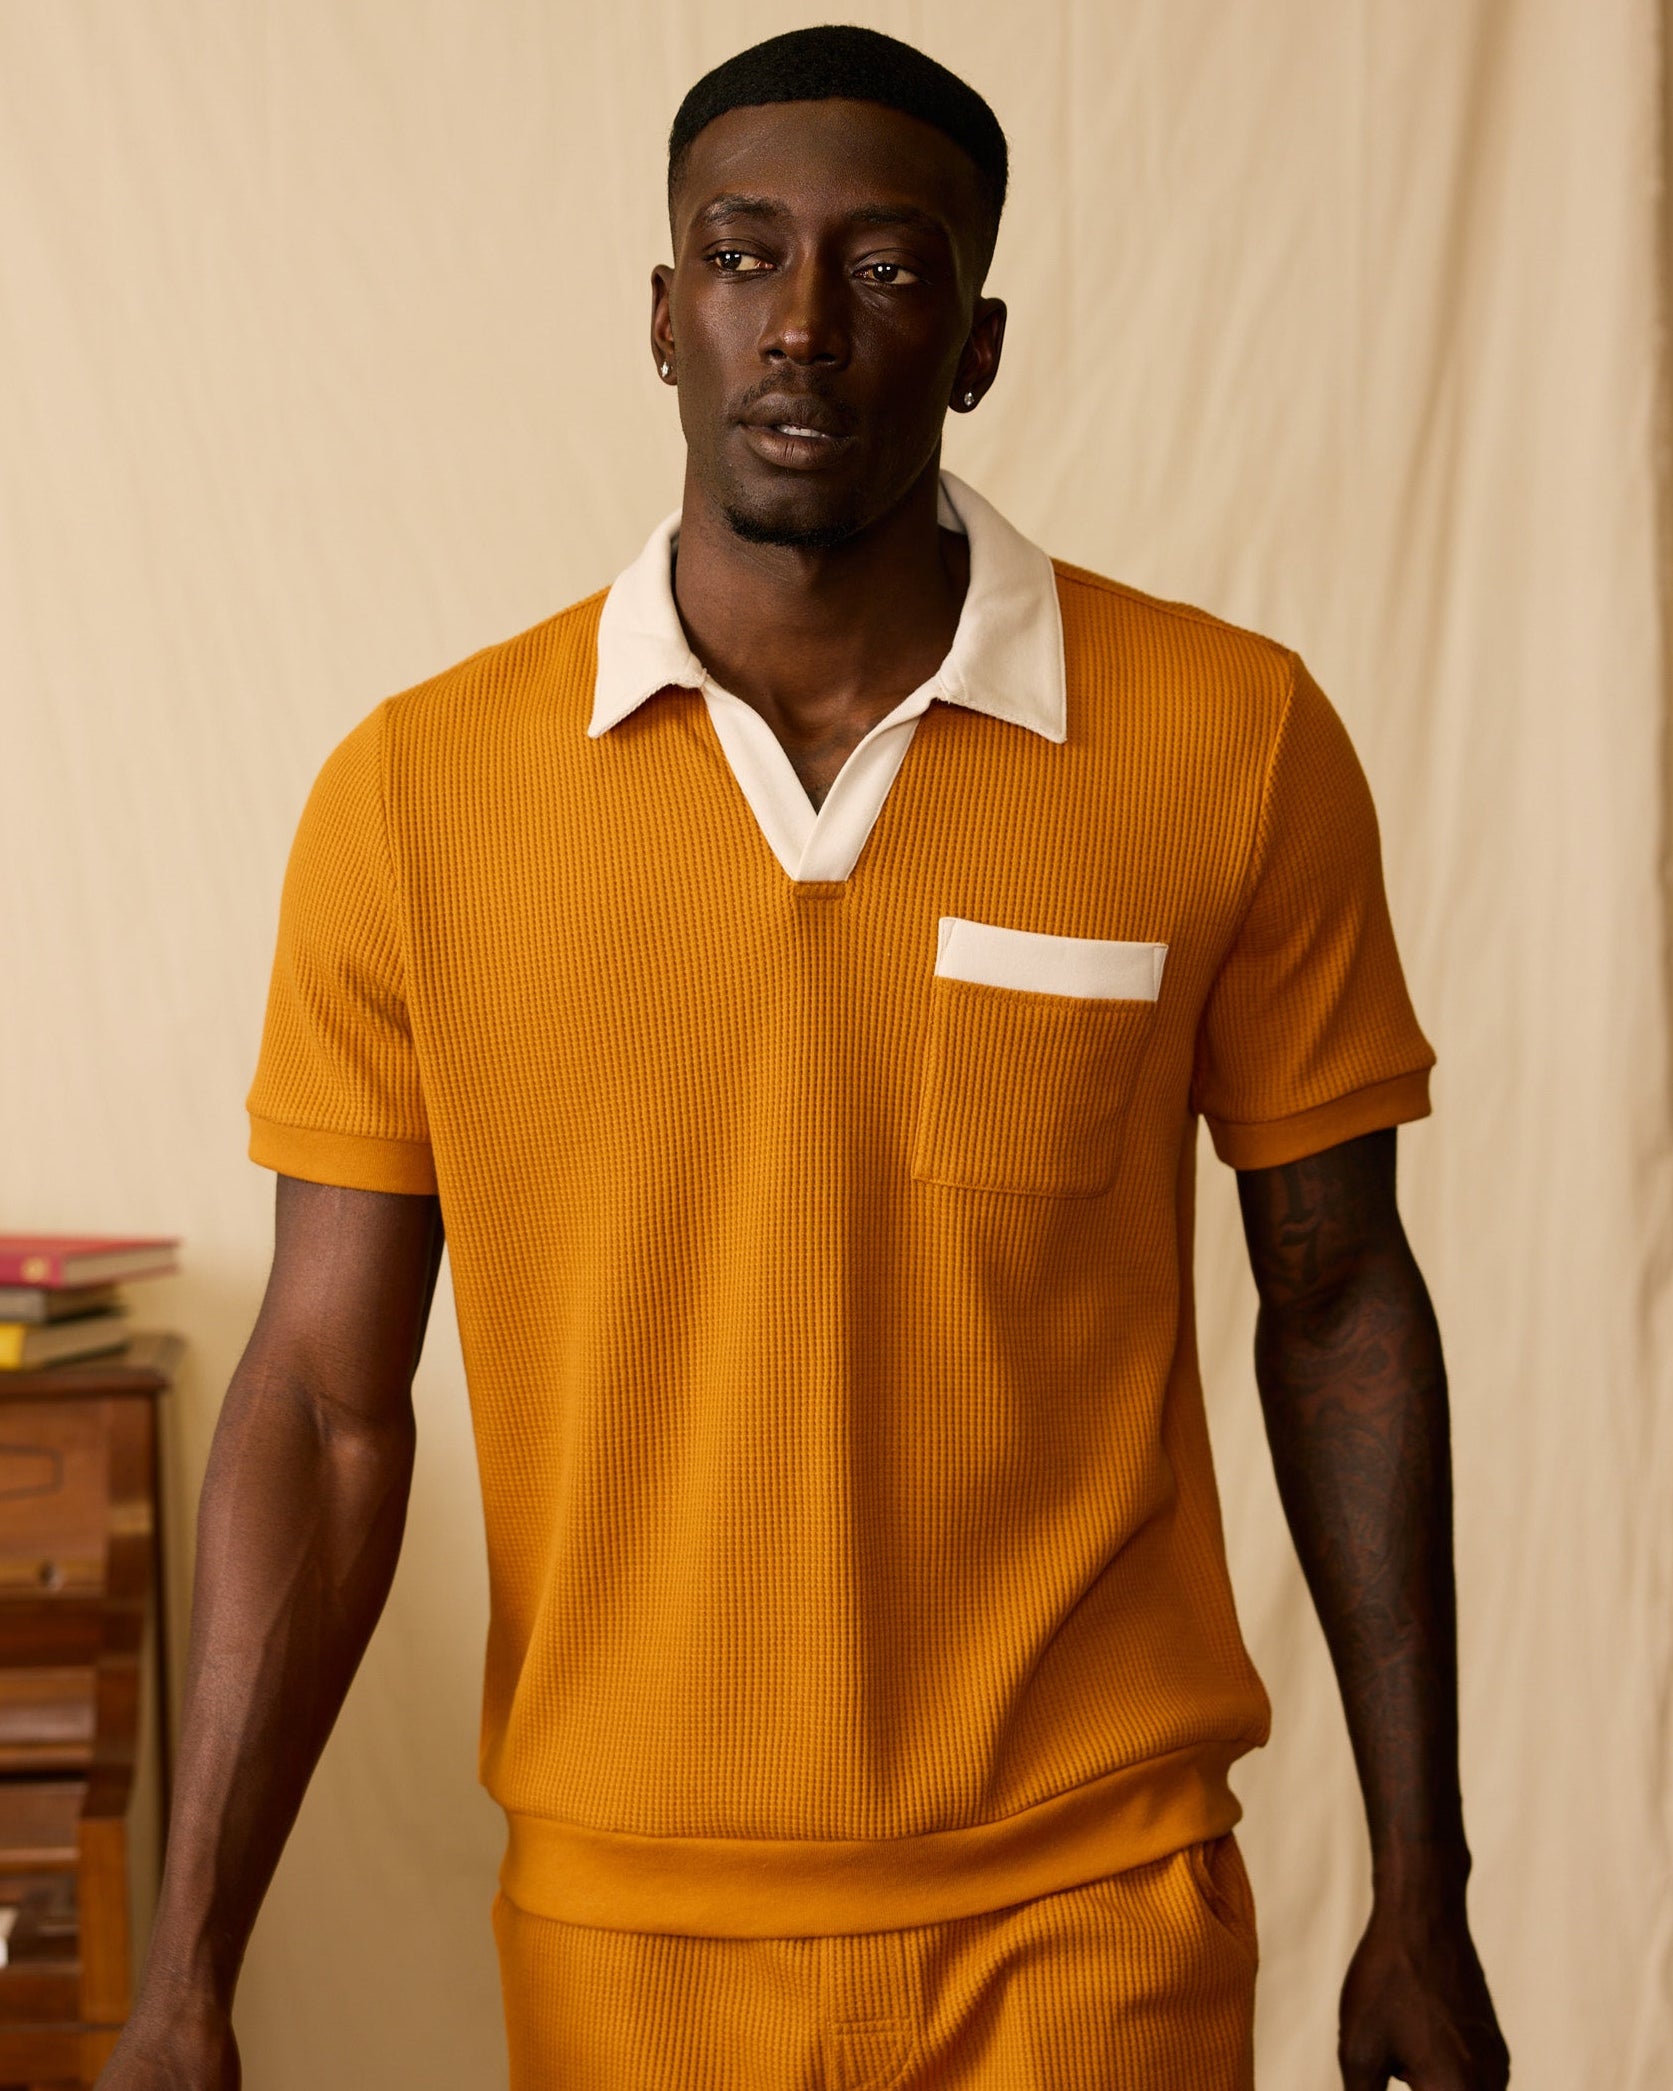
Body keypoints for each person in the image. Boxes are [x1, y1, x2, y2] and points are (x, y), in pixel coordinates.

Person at [101, 25, 1510, 2091]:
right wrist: (183, 1971)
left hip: (1093, 1912)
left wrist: (1423, 1883)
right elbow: (324, 1402)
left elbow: (1339, 1297)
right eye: (744, 256)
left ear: (979, 339)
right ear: (660, 315)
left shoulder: (1234, 740)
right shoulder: (415, 795)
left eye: (884, 266)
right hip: (626, 1939)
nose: (802, 323)